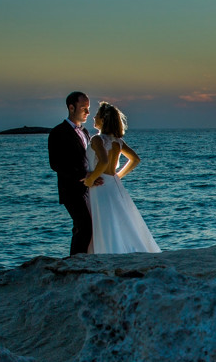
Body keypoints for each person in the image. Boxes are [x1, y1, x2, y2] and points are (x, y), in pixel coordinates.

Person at [82, 102, 161, 254]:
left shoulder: (98, 140)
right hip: (114, 184)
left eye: (97, 115)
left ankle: (107, 253)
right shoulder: (117, 141)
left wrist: (91, 179)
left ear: (103, 120)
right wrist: (118, 176)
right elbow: (135, 159)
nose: (93, 117)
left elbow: (104, 161)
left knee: (106, 222)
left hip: (101, 187)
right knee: (120, 221)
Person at [48, 91, 98, 255]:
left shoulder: (85, 132)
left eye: (88, 108)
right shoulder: (58, 132)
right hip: (70, 189)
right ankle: (75, 262)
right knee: (85, 226)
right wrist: (81, 177)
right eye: (84, 108)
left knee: (82, 226)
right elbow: (55, 164)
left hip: (86, 189)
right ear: (71, 107)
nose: (88, 112)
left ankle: (78, 259)